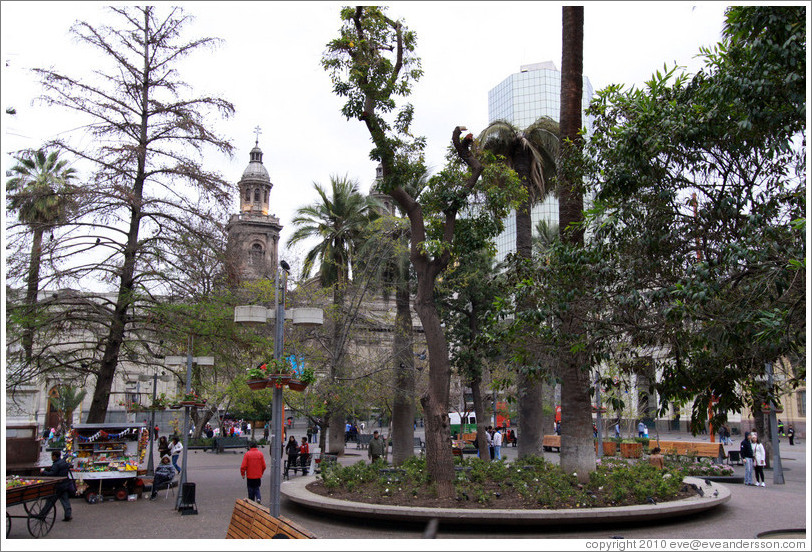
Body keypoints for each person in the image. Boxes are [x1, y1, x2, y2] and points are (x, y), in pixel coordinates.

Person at [38, 451, 73, 521]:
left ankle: (42, 515)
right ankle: (68, 515)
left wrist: (43, 472)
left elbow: (52, 474)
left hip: (57, 486)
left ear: (54, 456)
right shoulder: (64, 462)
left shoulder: (56, 464)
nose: (51, 458)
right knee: (65, 500)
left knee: (50, 501)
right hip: (64, 484)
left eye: (52, 456)